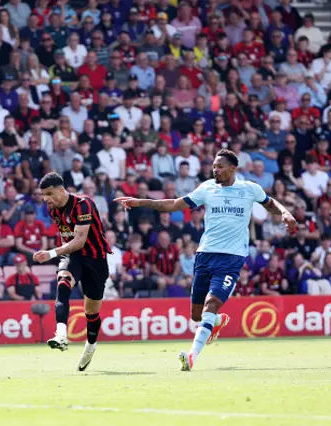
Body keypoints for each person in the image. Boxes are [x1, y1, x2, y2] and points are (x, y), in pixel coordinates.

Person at [115, 149, 297, 371]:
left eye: (220, 166)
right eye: (214, 166)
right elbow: (174, 204)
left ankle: (191, 356)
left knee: (212, 303)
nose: (215, 170)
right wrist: (141, 202)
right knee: (197, 315)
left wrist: (286, 213)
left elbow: (270, 204)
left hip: (232, 258)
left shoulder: (249, 189)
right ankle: (216, 322)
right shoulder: (207, 188)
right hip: (205, 255)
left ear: (233, 168)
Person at [33, 172, 111, 371]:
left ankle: (91, 346)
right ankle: (61, 334)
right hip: (73, 257)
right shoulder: (53, 210)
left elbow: (79, 240)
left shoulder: (83, 204)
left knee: (91, 311)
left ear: (61, 190)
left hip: (95, 260)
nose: (46, 199)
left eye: (50, 194)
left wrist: (51, 253)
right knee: (63, 284)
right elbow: (66, 237)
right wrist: (60, 257)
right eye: (44, 195)